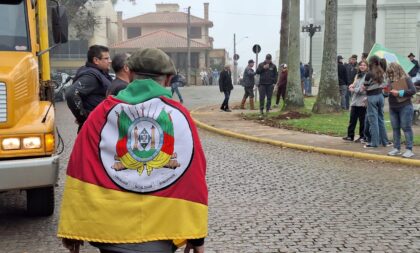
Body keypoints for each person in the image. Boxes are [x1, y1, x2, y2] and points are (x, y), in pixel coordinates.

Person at [58, 48, 208, 253]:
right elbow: (194, 174)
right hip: (163, 230)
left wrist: (72, 230)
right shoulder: (180, 115)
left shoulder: (101, 113)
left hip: (110, 231)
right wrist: (196, 237)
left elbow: (79, 167)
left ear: (129, 74)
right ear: (169, 79)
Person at [65, 45, 113, 133]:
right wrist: (84, 117)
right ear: (96, 60)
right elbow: (71, 94)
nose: (110, 61)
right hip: (93, 129)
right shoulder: (91, 76)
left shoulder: (99, 73)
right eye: (106, 58)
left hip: (98, 126)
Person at [385, 62, 416, 158]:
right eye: (389, 73)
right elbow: (387, 94)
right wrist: (385, 91)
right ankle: (396, 148)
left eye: (391, 72)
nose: (390, 75)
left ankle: (409, 149)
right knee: (395, 128)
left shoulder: (406, 78)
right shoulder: (390, 81)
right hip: (393, 107)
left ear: (397, 70)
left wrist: (399, 92)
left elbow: (413, 90)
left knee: (406, 128)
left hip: (405, 106)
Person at [363, 55, 390, 148]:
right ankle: (385, 141)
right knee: (381, 119)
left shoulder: (369, 74)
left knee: (373, 120)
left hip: (372, 96)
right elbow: (385, 84)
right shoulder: (382, 72)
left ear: (371, 63)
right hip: (380, 96)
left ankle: (374, 143)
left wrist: (364, 87)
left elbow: (365, 86)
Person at [343, 60, 368, 142]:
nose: (362, 66)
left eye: (364, 65)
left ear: (367, 67)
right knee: (352, 120)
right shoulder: (357, 75)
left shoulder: (368, 76)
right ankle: (350, 136)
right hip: (354, 101)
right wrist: (351, 86)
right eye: (361, 65)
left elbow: (363, 90)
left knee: (362, 121)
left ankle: (362, 137)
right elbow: (353, 84)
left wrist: (353, 89)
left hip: (362, 102)